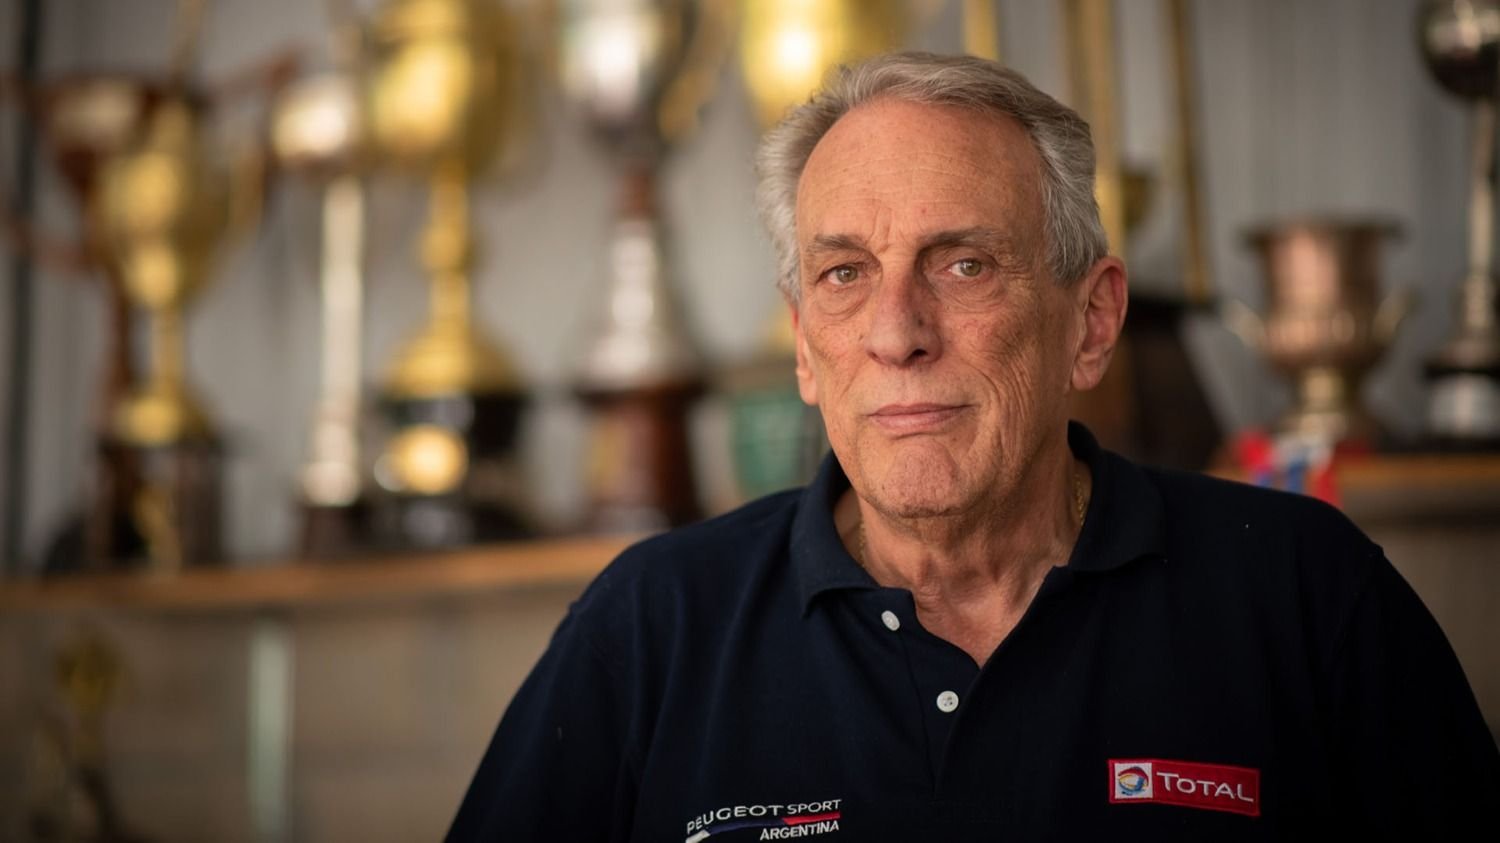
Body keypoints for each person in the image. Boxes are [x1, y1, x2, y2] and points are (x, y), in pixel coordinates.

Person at [448, 52, 1500, 841]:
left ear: (1091, 321)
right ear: (805, 346)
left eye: (962, 265)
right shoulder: (652, 627)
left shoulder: (1307, 594)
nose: (897, 333)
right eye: (845, 274)